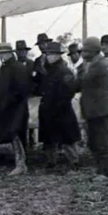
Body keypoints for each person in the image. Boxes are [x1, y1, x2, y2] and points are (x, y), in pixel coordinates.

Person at [37, 42, 80, 171]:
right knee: (49, 139)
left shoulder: (64, 71)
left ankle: (74, 162)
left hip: (61, 110)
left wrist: (58, 105)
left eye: (51, 54)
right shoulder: (46, 70)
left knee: (67, 138)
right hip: (48, 110)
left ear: (58, 55)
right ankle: (51, 161)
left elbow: (69, 91)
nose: (49, 57)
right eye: (47, 54)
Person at [0, 43, 32, 176]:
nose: (2, 56)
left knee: (18, 134)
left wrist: (9, 101)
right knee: (13, 134)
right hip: (9, 108)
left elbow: (22, 90)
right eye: (0, 54)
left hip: (17, 108)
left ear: (11, 53)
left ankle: (21, 164)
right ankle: (20, 163)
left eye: (4, 53)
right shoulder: (5, 67)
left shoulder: (17, 67)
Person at [78, 37, 108, 177]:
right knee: (93, 142)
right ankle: (100, 170)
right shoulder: (92, 63)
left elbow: (83, 81)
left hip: (99, 109)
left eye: (86, 50)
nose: (83, 53)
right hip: (92, 109)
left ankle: (106, 172)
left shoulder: (100, 65)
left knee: (101, 142)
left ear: (93, 50)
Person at [14, 40, 34, 150]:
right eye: (19, 51)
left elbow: (35, 79)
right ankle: (23, 147)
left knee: (31, 121)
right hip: (18, 99)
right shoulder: (14, 65)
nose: (22, 53)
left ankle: (31, 141)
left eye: (23, 51)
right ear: (16, 52)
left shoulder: (31, 63)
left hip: (30, 97)